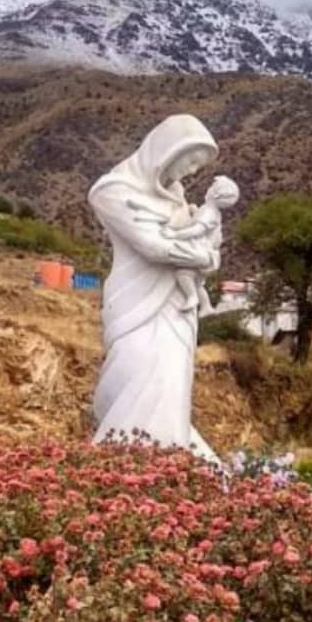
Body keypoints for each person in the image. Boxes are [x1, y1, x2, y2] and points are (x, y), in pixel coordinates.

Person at [88, 114, 224, 460]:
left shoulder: (176, 196)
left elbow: (197, 244)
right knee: (136, 375)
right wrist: (204, 257)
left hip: (176, 307)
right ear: (166, 149)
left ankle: (168, 466)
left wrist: (204, 254)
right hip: (136, 303)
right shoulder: (112, 191)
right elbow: (152, 246)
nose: (193, 171)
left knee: (171, 383)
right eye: (190, 160)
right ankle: (130, 465)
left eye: (198, 165)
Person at [151, 175, 240, 316]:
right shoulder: (210, 211)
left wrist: (174, 235)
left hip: (198, 250)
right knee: (198, 283)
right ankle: (206, 306)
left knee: (183, 273)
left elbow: (197, 230)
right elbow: (199, 221)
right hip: (203, 251)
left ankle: (191, 296)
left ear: (215, 194)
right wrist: (194, 211)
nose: (208, 189)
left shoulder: (209, 212)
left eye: (211, 188)